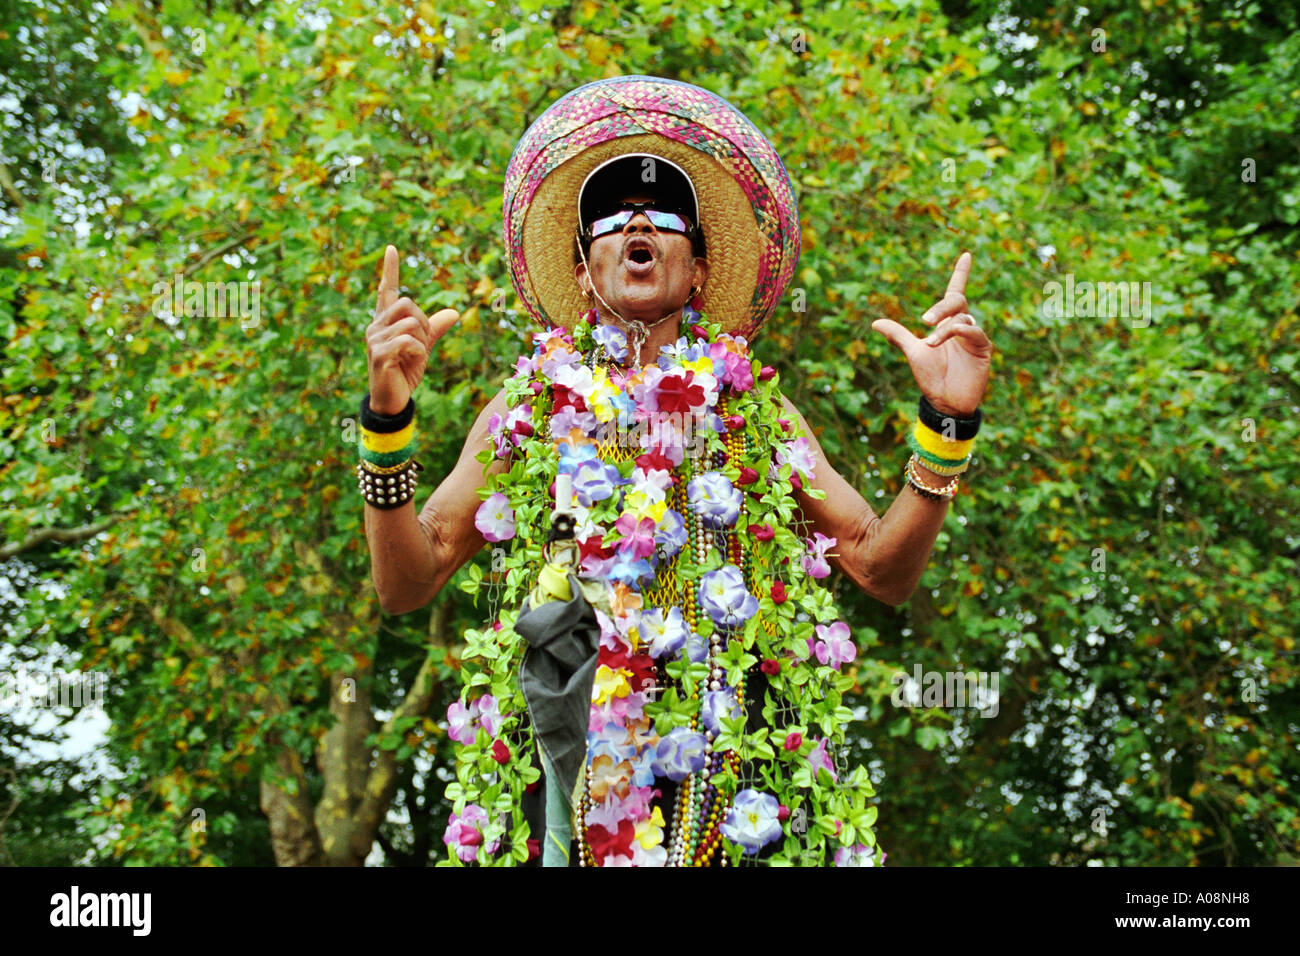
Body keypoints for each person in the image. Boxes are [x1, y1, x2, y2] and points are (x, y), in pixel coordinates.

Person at [358, 76, 992, 866]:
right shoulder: (524, 412)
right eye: (609, 219)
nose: (635, 225)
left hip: (730, 794)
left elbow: (879, 566)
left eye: (662, 216)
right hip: (564, 784)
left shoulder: (754, 413)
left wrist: (948, 426)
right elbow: (404, 585)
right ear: (586, 272)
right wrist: (386, 424)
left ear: (696, 270)